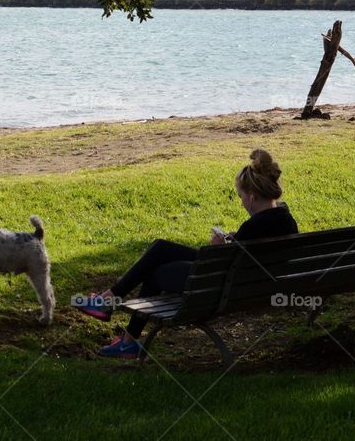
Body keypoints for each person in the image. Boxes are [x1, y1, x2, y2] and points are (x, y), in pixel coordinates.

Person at [76, 149, 298, 358]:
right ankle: (122, 328)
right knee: (162, 248)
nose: (241, 202)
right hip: (253, 285)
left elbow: (226, 265)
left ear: (250, 196)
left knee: (156, 269)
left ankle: (116, 317)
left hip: (218, 287)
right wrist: (232, 242)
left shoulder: (253, 226)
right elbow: (251, 256)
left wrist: (219, 247)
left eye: (240, 196)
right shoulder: (286, 220)